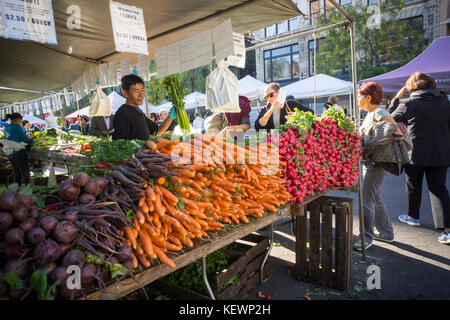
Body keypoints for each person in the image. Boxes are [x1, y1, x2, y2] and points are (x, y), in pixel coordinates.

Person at [388, 72, 450, 244]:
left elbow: (390, 119)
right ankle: (447, 230)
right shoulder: (445, 102)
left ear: (411, 87)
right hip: (441, 152)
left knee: (413, 185)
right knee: (439, 188)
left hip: (416, 153)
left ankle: (413, 216)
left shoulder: (410, 103)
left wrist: (396, 98)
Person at [354, 82, 401, 251]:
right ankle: (387, 233)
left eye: (360, 96)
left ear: (368, 97)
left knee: (366, 200)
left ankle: (366, 237)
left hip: (378, 163)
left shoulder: (380, 112)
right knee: (376, 198)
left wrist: (372, 144)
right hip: (371, 162)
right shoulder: (369, 114)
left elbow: (396, 132)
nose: (358, 99)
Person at [112, 74, 175, 140]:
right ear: (125, 93)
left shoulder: (138, 111)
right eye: (136, 91)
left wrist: (171, 116)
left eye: (142, 90)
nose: (141, 94)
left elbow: (158, 131)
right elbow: (119, 143)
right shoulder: (122, 114)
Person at [3, 113, 33, 185]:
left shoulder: (6, 128)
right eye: (21, 120)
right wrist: (31, 136)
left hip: (10, 153)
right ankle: (25, 190)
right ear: (18, 119)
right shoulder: (17, 127)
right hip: (18, 152)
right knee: (25, 172)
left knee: (17, 172)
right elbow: (25, 139)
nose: (21, 122)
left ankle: (16, 190)